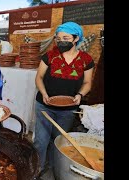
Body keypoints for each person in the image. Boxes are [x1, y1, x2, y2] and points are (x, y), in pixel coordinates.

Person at [33, 22, 94, 173]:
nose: (61, 42)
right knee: (41, 141)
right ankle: (37, 168)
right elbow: (39, 78)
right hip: (44, 106)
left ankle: (56, 169)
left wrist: (80, 95)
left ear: (76, 39)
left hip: (68, 109)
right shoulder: (49, 56)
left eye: (65, 38)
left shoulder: (86, 59)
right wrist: (44, 94)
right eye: (58, 38)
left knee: (59, 141)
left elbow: (87, 83)